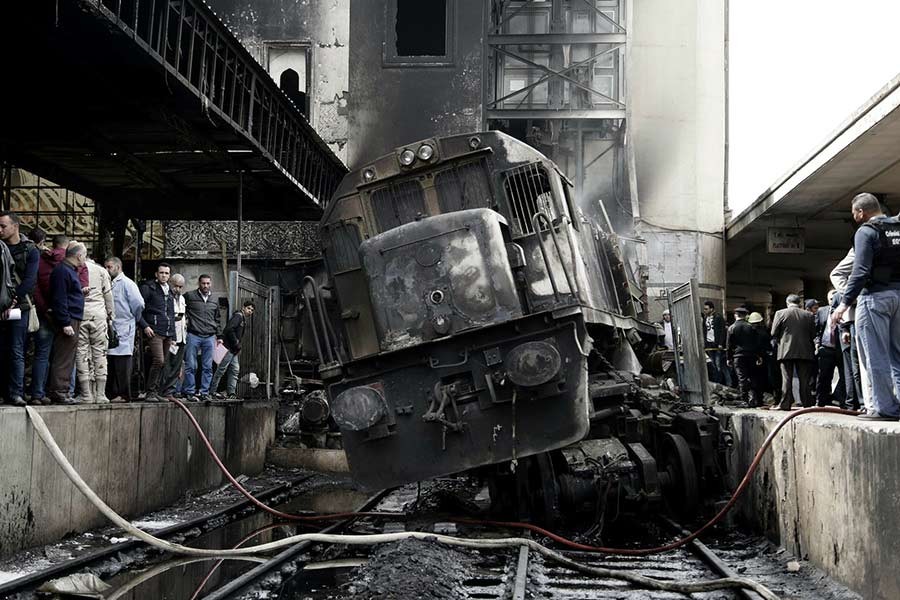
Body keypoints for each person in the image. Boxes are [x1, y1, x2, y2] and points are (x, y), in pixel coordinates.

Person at [831, 192, 900, 421]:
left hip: (875, 298)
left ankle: (885, 409)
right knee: (897, 356)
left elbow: (859, 272)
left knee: (875, 355)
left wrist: (843, 305)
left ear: (861, 212)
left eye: (854, 213)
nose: (854, 217)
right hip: (898, 296)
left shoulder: (866, 232)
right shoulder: (896, 228)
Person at [0, 211, 40, 407]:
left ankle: (16, 392)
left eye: (3, 226)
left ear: (15, 226)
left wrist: (12, 301)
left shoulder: (30, 250)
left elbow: (30, 281)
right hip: (3, 306)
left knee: (16, 349)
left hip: (19, 307)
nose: (0, 230)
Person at [30, 234, 70, 404]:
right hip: (64, 315)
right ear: (66, 246)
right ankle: (59, 392)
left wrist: (45, 308)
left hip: (44, 314)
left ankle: (37, 394)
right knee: (64, 356)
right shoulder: (68, 262)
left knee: (41, 355)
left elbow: (35, 288)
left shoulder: (39, 260)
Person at [47, 243, 87, 404]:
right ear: (78, 256)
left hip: (73, 317)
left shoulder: (68, 270)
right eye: (84, 255)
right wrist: (65, 322)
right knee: (64, 356)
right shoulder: (63, 271)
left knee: (68, 355)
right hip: (68, 318)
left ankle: (62, 390)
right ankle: (59, 391)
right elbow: (60, 298)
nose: (85, 259)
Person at [75, 258, 115, 403]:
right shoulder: (102, 271)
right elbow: (109, 296)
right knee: (100, 353)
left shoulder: (76, 268)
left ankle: (86, 394)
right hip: (98, 315)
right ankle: (100, 394)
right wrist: (111, 316)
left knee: (82, 353)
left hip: (81, 315)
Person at [830, 249, 865, 411]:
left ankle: (857, 402)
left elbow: (836, 274)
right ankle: (861, 402)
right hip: (852, 326)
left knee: (854, 367)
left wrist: (843, 328)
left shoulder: (842, 292)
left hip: (850, 327)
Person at [105, 257, 144, 402]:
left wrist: (133, 317)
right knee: (112, 362)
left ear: (118, 267)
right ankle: (112, 393)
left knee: (123, 363)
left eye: (109, 267)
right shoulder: (109, 282)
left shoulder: (127, 283)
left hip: (124, 325)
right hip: (112, 326)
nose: (107, 270)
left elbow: (139, 304)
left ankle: (124, 394)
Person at [770, 294, 816, 410]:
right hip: (805, 350)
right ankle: (807, 403)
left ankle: (785, 404)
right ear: (799, 303)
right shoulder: (809, 315)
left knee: (786, 378)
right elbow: (813, 334)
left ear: (787, 303)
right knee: (804, 379)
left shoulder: (780, 313)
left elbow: (773, 332)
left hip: (786, 350)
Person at [138, 263, 175, 401]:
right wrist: (145, 326)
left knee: (163, 362)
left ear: (169, 275)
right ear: (156, 274)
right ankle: (150, 392)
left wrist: (173, 334)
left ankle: (156, 391)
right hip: (154, 330)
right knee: (158, 360)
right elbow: (138, 309)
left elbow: (171, 313)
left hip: (167, 331)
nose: (164, 275)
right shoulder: (148, 288)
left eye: (166, 273)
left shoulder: (170, 291)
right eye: (161, 273)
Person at [182, 274, 221, 401]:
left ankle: (205, 392)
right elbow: (179, 306)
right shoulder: (189, 296)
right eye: (203, 283)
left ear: (211, 284)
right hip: (193, 335)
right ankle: (190, 391)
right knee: (191, 365)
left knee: (207, 367)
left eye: (208, 283)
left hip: (210, 336)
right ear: (199, 284)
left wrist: (219, 335)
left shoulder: (215, 299)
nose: (206, 286)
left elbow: (218, 318)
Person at [211, 299, 255, 399]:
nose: (250, 311)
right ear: (243, 307)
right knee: (221, 370)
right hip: (229, 348)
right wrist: (235, 342)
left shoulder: (241, 318)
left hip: (233, 350)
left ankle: (231, 393)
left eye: (252, 310)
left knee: (234, 370)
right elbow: (229, 329)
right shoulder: (238, 316)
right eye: (248, 308)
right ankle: (212, 391)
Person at [726, 307, 763, 407]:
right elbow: (756, 343)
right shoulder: (751, 327)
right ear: (745, 315)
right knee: (753, 377)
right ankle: (756, 399)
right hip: (751, 355)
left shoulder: (732, 328)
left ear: (735, 315)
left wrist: (728, 358)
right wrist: (758, 355)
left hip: (738, 356)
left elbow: (729, 345)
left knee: (742, 378)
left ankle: (744, 400)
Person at [814, 290, 845, 408]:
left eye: (835, 298)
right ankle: (821, 401)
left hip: (840, 348)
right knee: (824, 376)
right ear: (828, 300)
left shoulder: (843, 310)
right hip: (826, 348)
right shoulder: (822, 311)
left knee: (844, 376)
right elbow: (817, 329)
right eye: (831, 299)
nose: (833, 301)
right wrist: (817, 343)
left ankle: (842, 401)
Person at [159, 273, 187, 397]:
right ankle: (162, 390)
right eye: (176, 286)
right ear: (171, 284)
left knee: (177, 365)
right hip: (170, 336)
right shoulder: (166, 296)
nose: (178, 289)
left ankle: (171, 390)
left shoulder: (182, 299)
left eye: (181, 287)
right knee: (166, 364)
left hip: (181, 336)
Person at [702, 301, 729, 386]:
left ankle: (720, 383)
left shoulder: (718, 317)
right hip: (709, 344)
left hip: (717, 345)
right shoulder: (706, 318)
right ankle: (716, 382)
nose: (705, 311)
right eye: (704, 309)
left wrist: (720, 343)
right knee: (712, 364)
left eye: (706, 309)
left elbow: (722, 331)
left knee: (718, 365)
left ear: (711, 309)